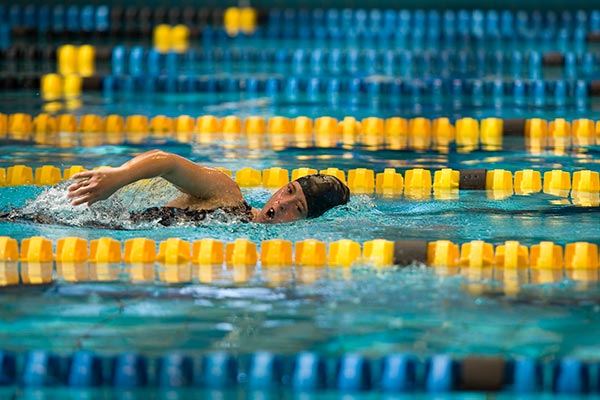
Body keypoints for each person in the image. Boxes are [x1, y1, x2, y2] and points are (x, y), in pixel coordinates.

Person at [64, 150, 350, 225]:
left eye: (297, 208)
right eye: (289, 191)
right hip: (83, 218)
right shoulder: (226, 194)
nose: (282, 203)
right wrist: (118, 177)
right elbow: (167, 162)